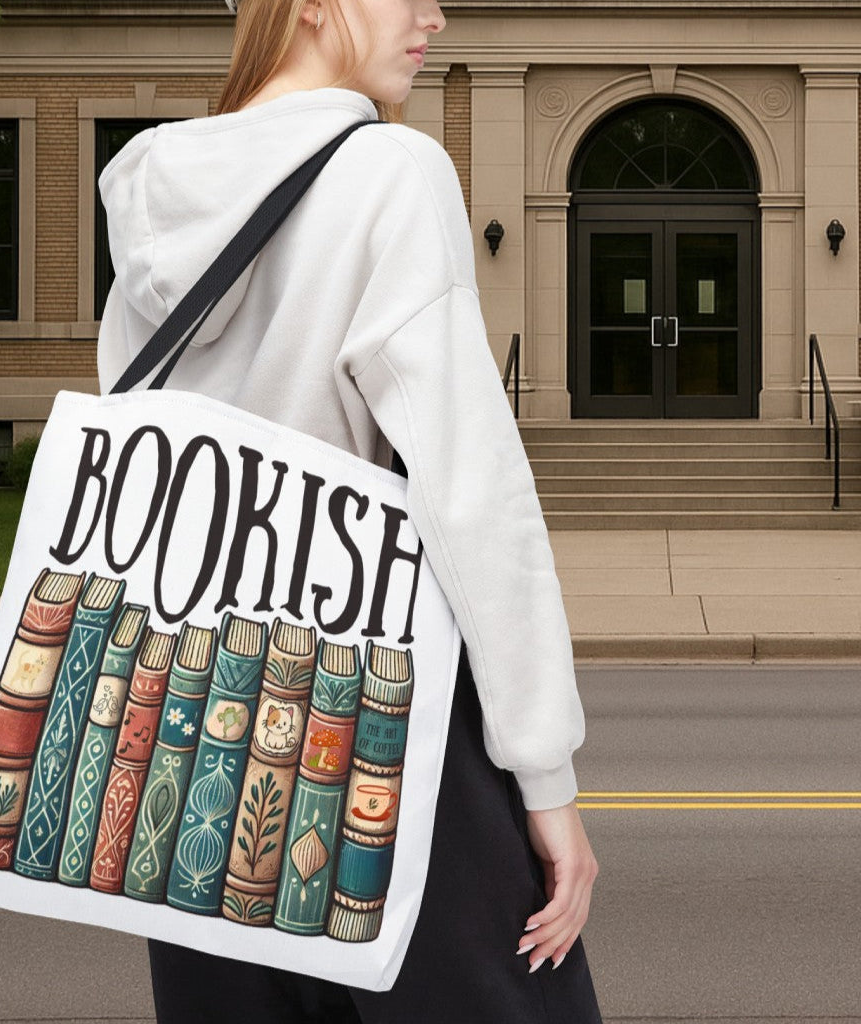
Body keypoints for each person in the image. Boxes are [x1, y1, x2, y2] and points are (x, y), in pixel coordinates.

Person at [96, 0, 603, 1019]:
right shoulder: (392, 173)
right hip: (373, 714)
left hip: (186, 727)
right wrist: (545, 779)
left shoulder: (155, 189)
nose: (437, 17)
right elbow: (471, 494)